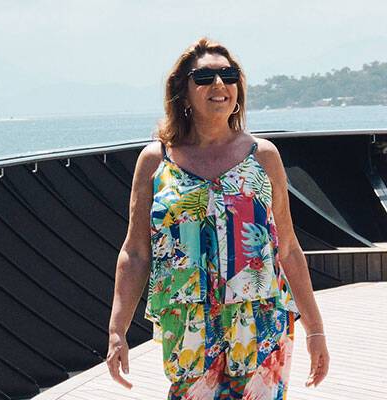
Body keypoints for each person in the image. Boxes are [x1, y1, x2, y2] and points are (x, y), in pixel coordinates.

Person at [106, 37, 329, 399]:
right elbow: (135, 253)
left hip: (259, 323)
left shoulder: (263, 157)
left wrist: (315, 331)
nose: (219, 85)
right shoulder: (155, 161)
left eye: (229, 75)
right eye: (205, 77)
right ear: (183, 89)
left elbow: (287, 248)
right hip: (189, 328)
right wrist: (117, 331)